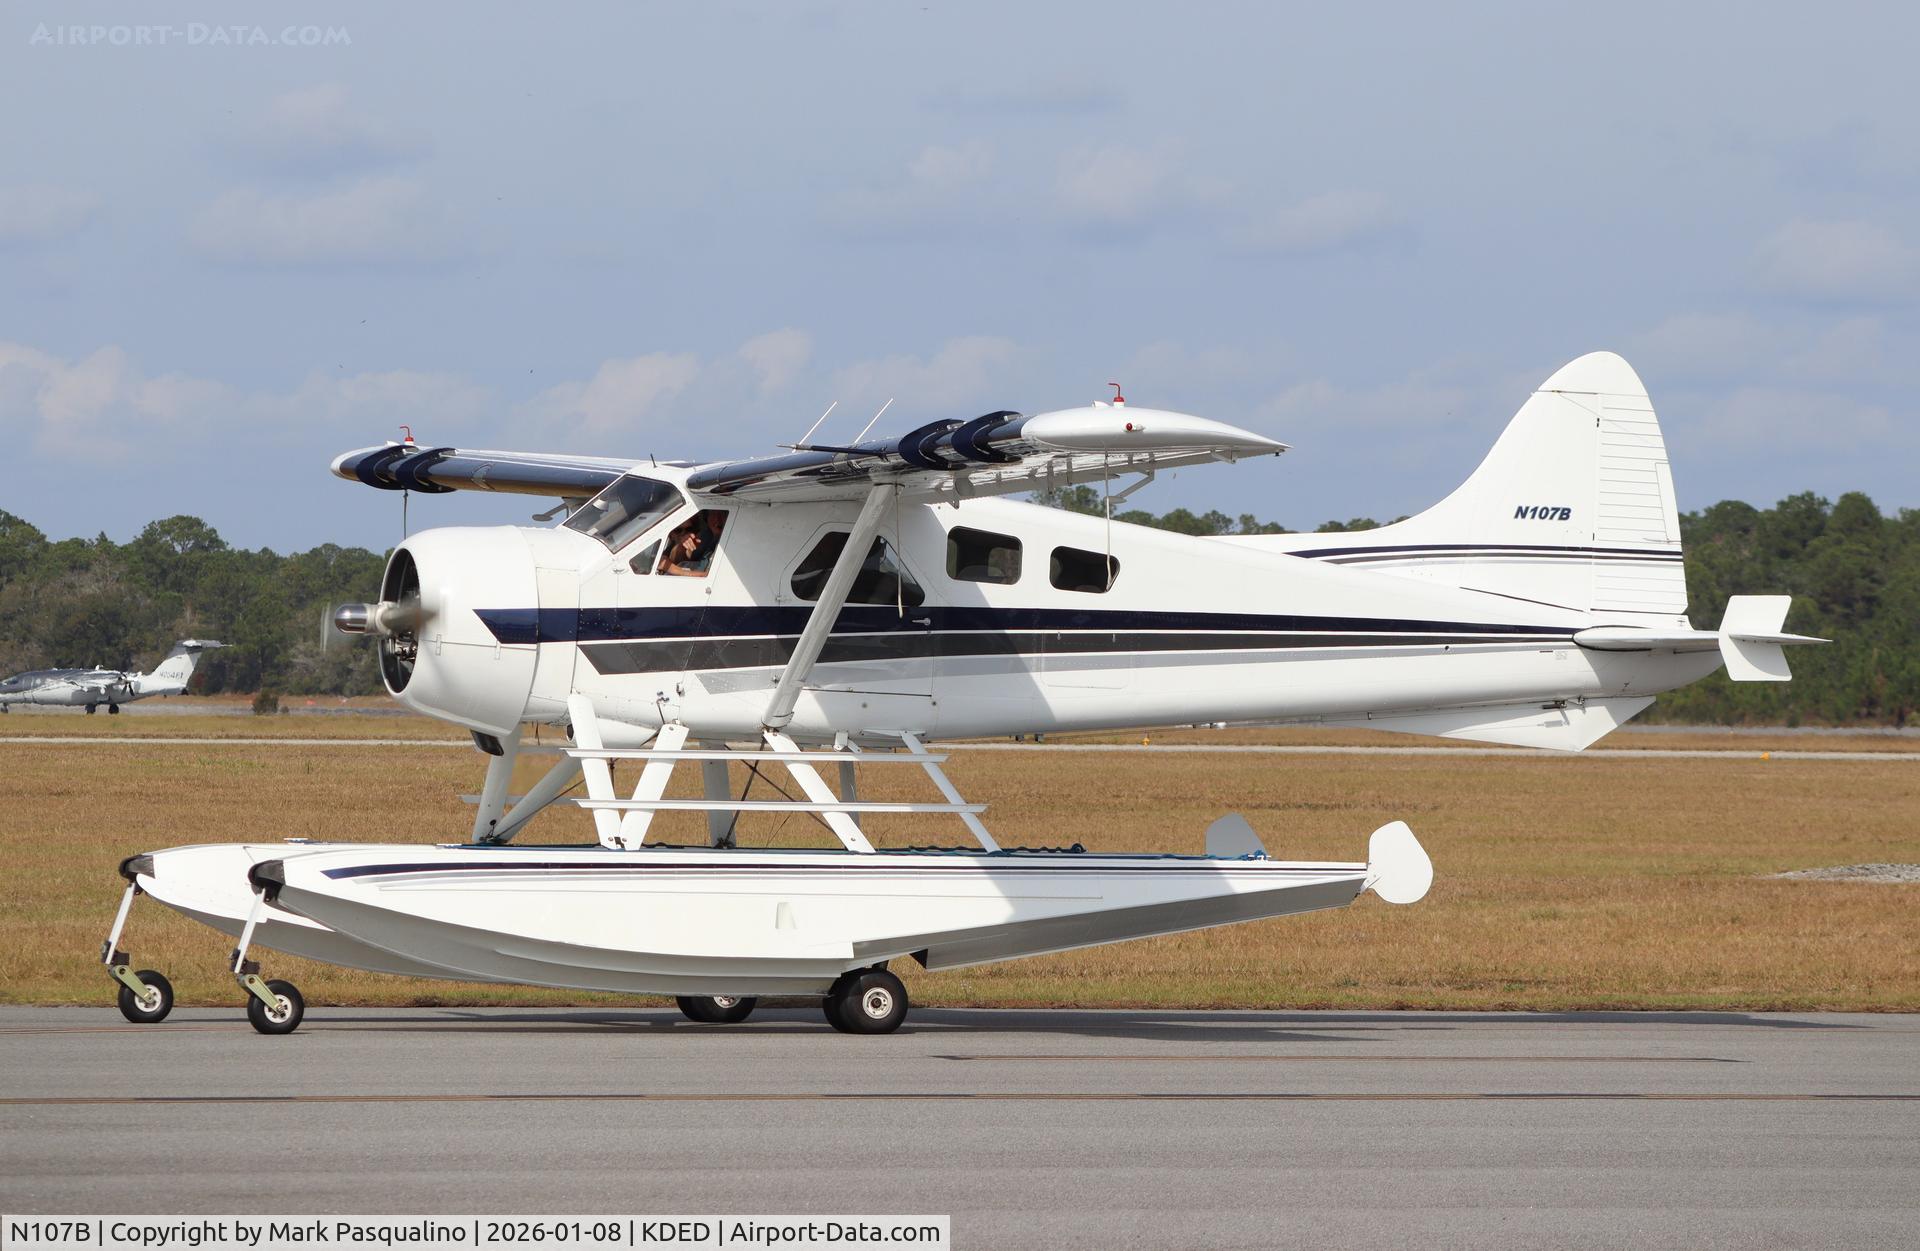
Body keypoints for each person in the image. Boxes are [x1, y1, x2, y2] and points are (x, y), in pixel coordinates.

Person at [659, 511, 727, 577]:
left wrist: (675, 570)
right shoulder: (706, 537)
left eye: (689, 529)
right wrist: (682, 547)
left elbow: (715, 577)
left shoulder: (702, 539)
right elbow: (671, 562)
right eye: (678, 530)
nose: (684, 533)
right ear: (670, 535)